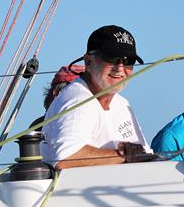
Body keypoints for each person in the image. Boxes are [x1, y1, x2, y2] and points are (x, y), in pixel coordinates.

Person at [41, 25, 152, 169]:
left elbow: (144, 153)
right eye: (111, 58)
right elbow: (66, 157)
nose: (119, 67)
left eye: (128, 60)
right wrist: (123, 156)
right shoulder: (77, 99)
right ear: (88, 62)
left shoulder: (122, 103)